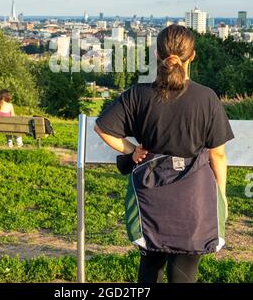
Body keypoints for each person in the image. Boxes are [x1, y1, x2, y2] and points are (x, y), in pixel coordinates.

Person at [94, 24, 235, 284]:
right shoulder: (207, 98)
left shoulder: (138, 95)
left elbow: (102, 127)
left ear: (157, 55)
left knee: (150, 266)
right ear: (192, 56)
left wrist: (132, 150)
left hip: (150, 197)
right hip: (196, 199)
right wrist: (221, 196)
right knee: (185, 271)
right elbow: (218, 155)